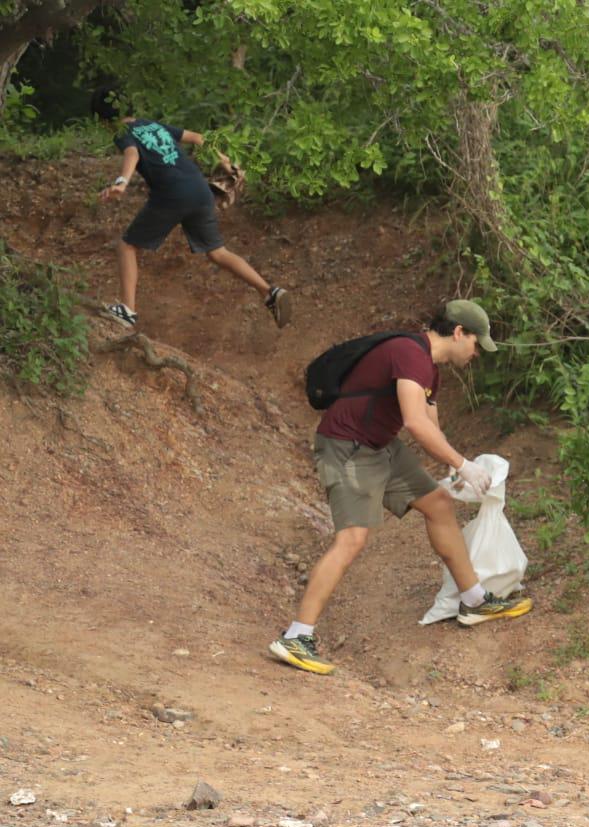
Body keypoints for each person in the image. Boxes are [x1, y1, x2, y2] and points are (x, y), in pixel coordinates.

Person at [269, 300, 531, 676]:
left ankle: (474, 601)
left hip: (379, 446)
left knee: (439, 503)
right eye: (476, 343)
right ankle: (297, 636)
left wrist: (453, 469)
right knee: (352, 539)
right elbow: (414, 422)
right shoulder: (410, 354)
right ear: (459, 332)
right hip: (348, 448)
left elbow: (431, 425)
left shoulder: (430, 370)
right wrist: (462, 464)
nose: (476, 353)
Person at [91, 86, 290, 330]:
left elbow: (132, 153)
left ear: (103, 121)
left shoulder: (123, 132)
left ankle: (127, 311)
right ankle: (269, 292)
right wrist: (226, 163)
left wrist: (121, 182)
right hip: (199, 189)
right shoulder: (152, 124)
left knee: (127, 246)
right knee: (217, 252)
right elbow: (198, 138)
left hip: (173, 193)